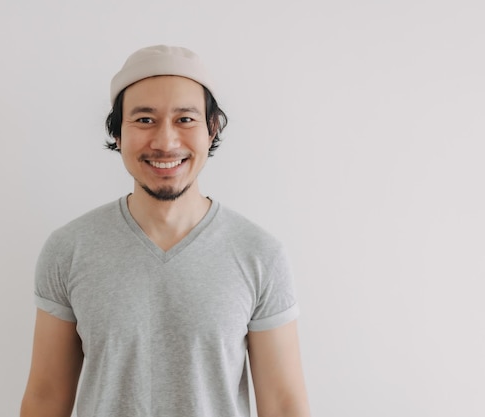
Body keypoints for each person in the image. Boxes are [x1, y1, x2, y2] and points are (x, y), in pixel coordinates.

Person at [20, 45, 311, 417]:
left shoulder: (259, 254)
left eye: (185, 119)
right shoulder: (69, 248)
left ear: (212, 129)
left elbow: (284, 405)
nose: (165, 141)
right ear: (118, 133)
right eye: (144, 120)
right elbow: (46, 397)